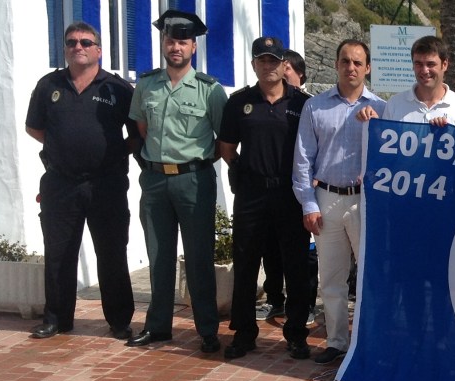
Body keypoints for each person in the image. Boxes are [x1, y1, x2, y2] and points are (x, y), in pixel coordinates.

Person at [24, 21, 137, 340]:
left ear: (98, 50)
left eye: (86, 42)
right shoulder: (48, 86)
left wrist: (112, 154)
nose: (79, 47)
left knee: (112, 252)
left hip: (107, 185)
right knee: (59, 253)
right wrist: (64, 148)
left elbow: (136, 134)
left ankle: (119, 320)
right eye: (72, 42)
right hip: (61, 184)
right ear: (65, 49)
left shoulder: (117, 88)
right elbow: (35, 128)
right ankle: (56, 318)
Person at [126, 10, 228, 352]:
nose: (176, 47)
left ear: (193, 47)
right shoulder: (146, 85)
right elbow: (140, 129)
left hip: (194, 181)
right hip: (154, 181)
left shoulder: (210, 90)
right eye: (170, 40)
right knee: (159, 255)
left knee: (199, 257)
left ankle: (208, 330)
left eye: (183, 41)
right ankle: (158, 327)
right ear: (163, 43)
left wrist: (193, 164)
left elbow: (222, 140)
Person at [216, 37, 312, 360]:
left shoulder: (302, 103)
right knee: (246, 265)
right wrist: (246, 171)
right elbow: (227, 148)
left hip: (290, 192)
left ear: (284, 64)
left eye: (274, 60)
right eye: (262, 60)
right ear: (254, 64)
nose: (268, 66)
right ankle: (244, 333)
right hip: (252, 193)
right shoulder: (239, 102)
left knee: (295, 265)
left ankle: (297, 333)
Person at [293, 39, 386, 364]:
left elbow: (389, 160)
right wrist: (309, 204)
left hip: (365, 204)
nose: (351, 68)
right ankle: (336, 343)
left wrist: (375, 126)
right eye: (345, 61)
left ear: (368, 68)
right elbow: (303, 160)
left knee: (370, 276)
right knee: (331, 278)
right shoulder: (315, 107)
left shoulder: (382, 109)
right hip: (327, 199)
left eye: (358, 63)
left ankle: (368, 341)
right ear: (336, 64)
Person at [255, 48, 310, 323]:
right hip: (260, 193)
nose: (280, 73)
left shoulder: (306, 105)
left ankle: (301, 316)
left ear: (298, 73)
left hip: (296, 193)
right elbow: (228, 148)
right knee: (269, 251)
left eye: (286, 68)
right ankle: (275, 300)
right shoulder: (248, 100)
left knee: (299, 259)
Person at [357, 36, 455, 123]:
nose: (424, 70)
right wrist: (375, 126)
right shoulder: (394, 104)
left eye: (430, 64)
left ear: (444, 65)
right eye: (418, 64)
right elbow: (385, 147)